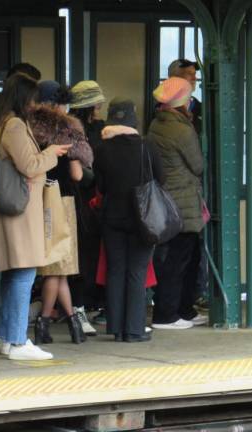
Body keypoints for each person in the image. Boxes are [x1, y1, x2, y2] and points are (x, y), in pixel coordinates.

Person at [0, 73, 70, 361]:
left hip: (15, 211)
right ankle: (17, 339)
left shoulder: (3, 123)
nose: (36, 104)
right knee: (24, 275)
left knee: (14, 276)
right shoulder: (13, 125)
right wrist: (52, 152)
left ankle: (6, 337)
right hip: (21, 213)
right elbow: (29, 165)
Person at [94, 98, 164, 342]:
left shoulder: (102, 149)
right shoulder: (147, 146)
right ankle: (134, 330)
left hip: (112, 217)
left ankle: (116, 328)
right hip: (143, 220)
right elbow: (161, 180)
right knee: (136, 271)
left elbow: (100, 185)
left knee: (115, 271)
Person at [30, 80, 88, 345]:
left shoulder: (29, 127)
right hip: (63, 200)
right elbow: (76, 174)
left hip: (39, 199)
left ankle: (66, 323)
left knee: (57, 268)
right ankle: (52, 322)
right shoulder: (68, 129)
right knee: (58, 267)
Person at [148, 77, 207, 330]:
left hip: (166, 202)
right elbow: (198, 165)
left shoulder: (156, 125)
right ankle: (168, 314)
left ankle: (184, 310)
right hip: (183, 202)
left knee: (174, 258)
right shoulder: (182, 130)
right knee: (181, 261)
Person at [67, 80, 106, 334]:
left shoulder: (70, 128)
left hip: (74, 200)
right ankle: (80, 307)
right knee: (84, 257)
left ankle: (79, 306)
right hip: (86, 201)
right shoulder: (91, 132)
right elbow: (82, 172)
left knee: (79, 257)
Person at [168, 59, 202, 135]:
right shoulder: (160, 111)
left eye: (195, 74)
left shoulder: (203, 110)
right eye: (189, 74)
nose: (194, 78)